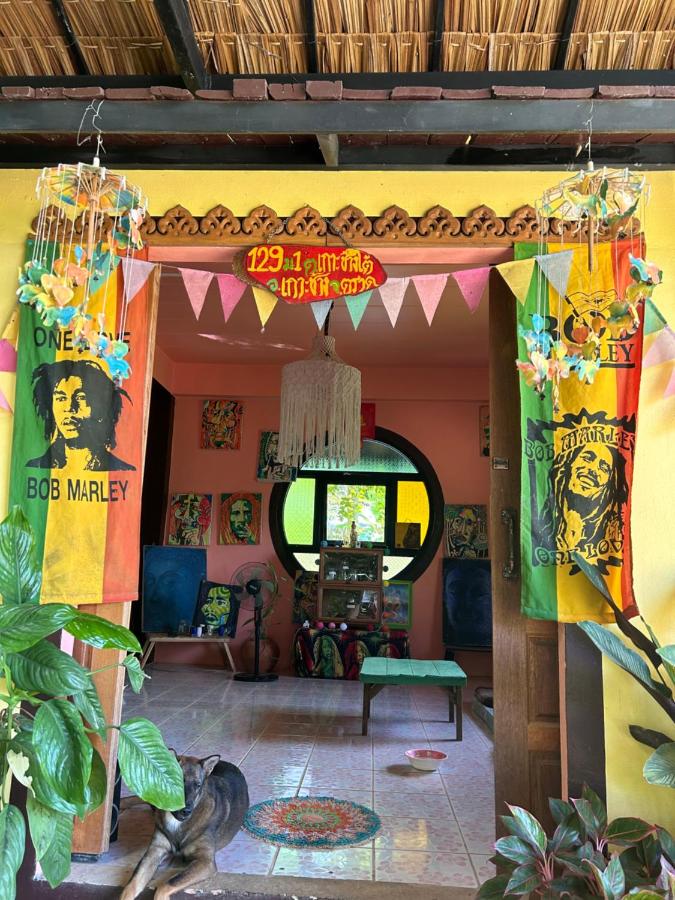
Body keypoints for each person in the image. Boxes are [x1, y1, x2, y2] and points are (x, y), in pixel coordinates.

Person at [27, 359, 134, 471]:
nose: (69, 408)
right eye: (61, 398)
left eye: (80, 397)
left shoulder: (122, 471)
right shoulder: (36, 467)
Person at [541, 440, 627, 556]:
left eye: (604, 468)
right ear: (571, 463)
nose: (593, 469)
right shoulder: (546, 516)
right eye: (587, 458)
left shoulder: (612, 527)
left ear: (608, 483)